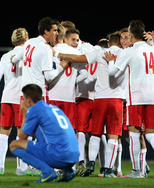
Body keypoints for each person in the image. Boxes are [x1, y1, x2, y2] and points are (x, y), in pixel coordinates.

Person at [104, 20, 154, 178]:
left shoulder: (129, 52)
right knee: (151, 133)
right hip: (152, 95)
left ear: (131, 35)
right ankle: (138, 170)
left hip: (136, 96)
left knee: (133, 132)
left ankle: (137, 171)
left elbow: (113, 73)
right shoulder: (152, 49)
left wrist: (111, 61)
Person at [9, 84, 79, 183]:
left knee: (14, 145)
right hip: (74, 155)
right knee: (46, 140)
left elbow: (21, 137)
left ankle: (47, 172)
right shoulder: (52, 107)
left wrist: (24, 113)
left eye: (23, 99)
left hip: (59, 154)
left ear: (28, 100)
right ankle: (68, 170)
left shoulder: (34, 110)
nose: (22, 101)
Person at [79, 31, 125, 178]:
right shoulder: (125, 53)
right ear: (120, 41)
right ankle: (108, 169)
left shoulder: (99, 52)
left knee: (96, 133)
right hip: (116, 98)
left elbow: (81, 58)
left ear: (109, 42)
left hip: (99, 98)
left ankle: (90, 164)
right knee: (113, 136)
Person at [0, 28, 29, 175]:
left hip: (6, 97)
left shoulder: (5, 56)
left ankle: (0, 167)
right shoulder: (28, 55)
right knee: (21, 133)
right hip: (21, 98)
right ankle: (21, 168)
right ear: (26, 38)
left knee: (3, 133)